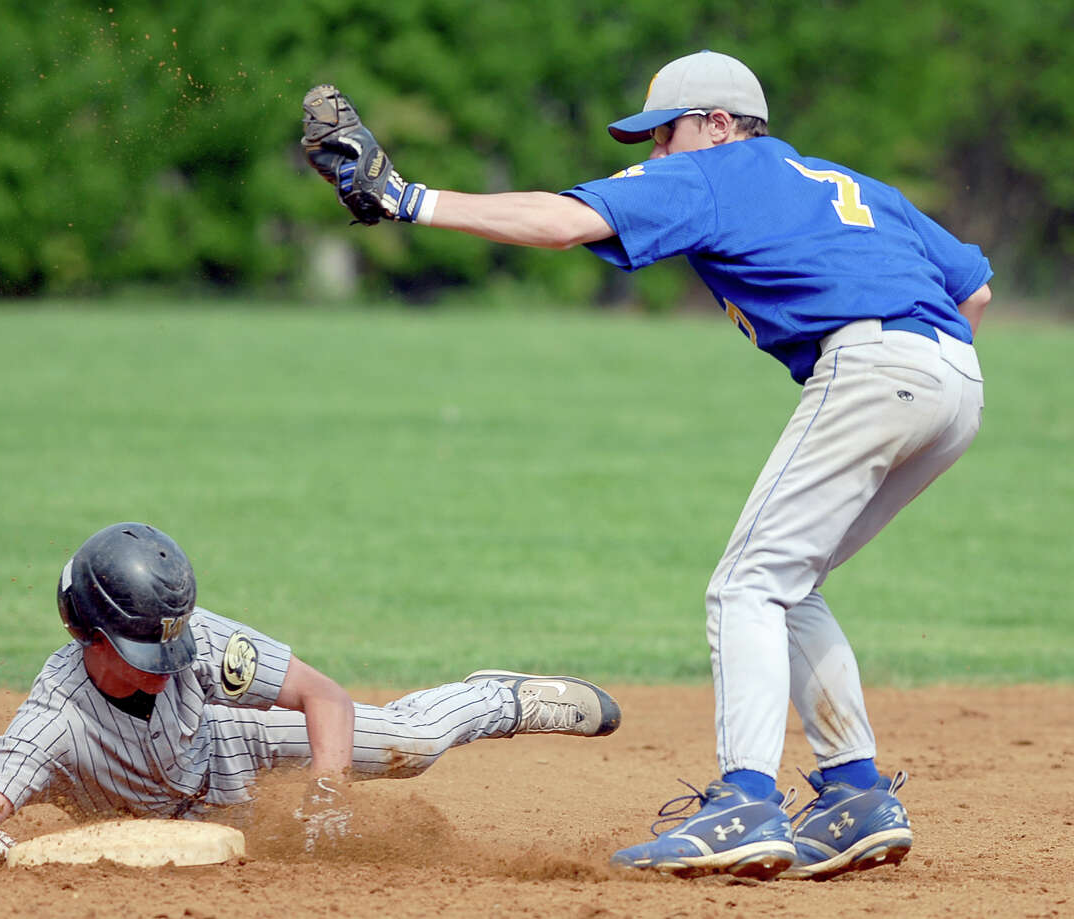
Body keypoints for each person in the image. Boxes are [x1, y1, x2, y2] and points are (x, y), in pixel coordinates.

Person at [302, 48, 990, 881]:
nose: (657, 154)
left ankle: (746, 799)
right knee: (791, 583)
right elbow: (974, 292)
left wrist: (409, 199)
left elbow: (560, 223)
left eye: (666, 134)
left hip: (876, 369)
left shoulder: (719, 171)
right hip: (957, 380)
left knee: (746, 586)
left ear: (721, 125)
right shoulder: (845, 183)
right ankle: (855, 793)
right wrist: (913, 369)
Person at [0, 522, 622, 864]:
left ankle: (498, 699)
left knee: (410, 744)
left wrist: (327, 790)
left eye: (168, 645)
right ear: (88, 633)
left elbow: (323, 696)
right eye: (144, 652)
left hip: (235, 749)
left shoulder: (191, 638)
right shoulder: (55, 718)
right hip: (176, 830)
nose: (163, 664)